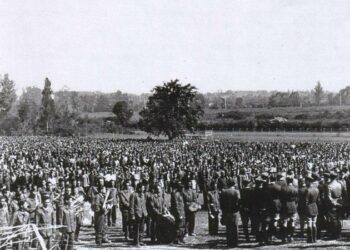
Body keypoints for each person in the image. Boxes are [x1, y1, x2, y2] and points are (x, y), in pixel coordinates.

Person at [220, 177, 240, 247]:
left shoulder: (224, 192)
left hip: (226, 212)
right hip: (234, 212)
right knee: (235, 228)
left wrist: (223, 212)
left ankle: (229, 242)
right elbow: (239, 202)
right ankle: (234, 243)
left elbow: (221, 203)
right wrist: (237, 209)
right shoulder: (236, 192)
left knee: (228, 228)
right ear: (234, 184)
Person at [280, 175, 298, 243]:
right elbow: (297, 199)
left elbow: (281, 198)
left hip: (285, 205)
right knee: (292, 222)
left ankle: (284, 237)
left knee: (284, 222)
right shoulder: (295, 188)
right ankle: (291, 236)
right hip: (293, 206)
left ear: (286, 181)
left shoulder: (283, 188)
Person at [129, 183, 148, 247]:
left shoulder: (143, 195)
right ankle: (136, 242)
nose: (143, 189)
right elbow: (131, 206)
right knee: (136, 228)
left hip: (142, 214)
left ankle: (140, 240)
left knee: (142, 228)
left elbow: (144, 204)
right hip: (137, 214)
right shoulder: (134, 195)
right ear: (139, 188)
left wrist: (145, 212)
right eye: (142, 188)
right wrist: (132, 215)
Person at [326, 171, 343, 240]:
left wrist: (334, 203)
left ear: (330, 177)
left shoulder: (329, 186)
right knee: (338, 219)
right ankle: (338, 234)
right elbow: (341, 194)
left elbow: (329, 197)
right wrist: (339, 203)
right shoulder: (339, 184)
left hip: (333, 204)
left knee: (333, 219)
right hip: (339, 202)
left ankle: (334, 234)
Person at [304, 174, 319, 243]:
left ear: (308, 181)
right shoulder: (316, 189)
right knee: (314, 223)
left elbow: (306, 201)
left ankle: (310, 239)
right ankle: (315, 239)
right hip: (315, 206)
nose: (305, 182)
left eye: (306, 181)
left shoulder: (308, 190)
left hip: (309, 207)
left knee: (309, 223)